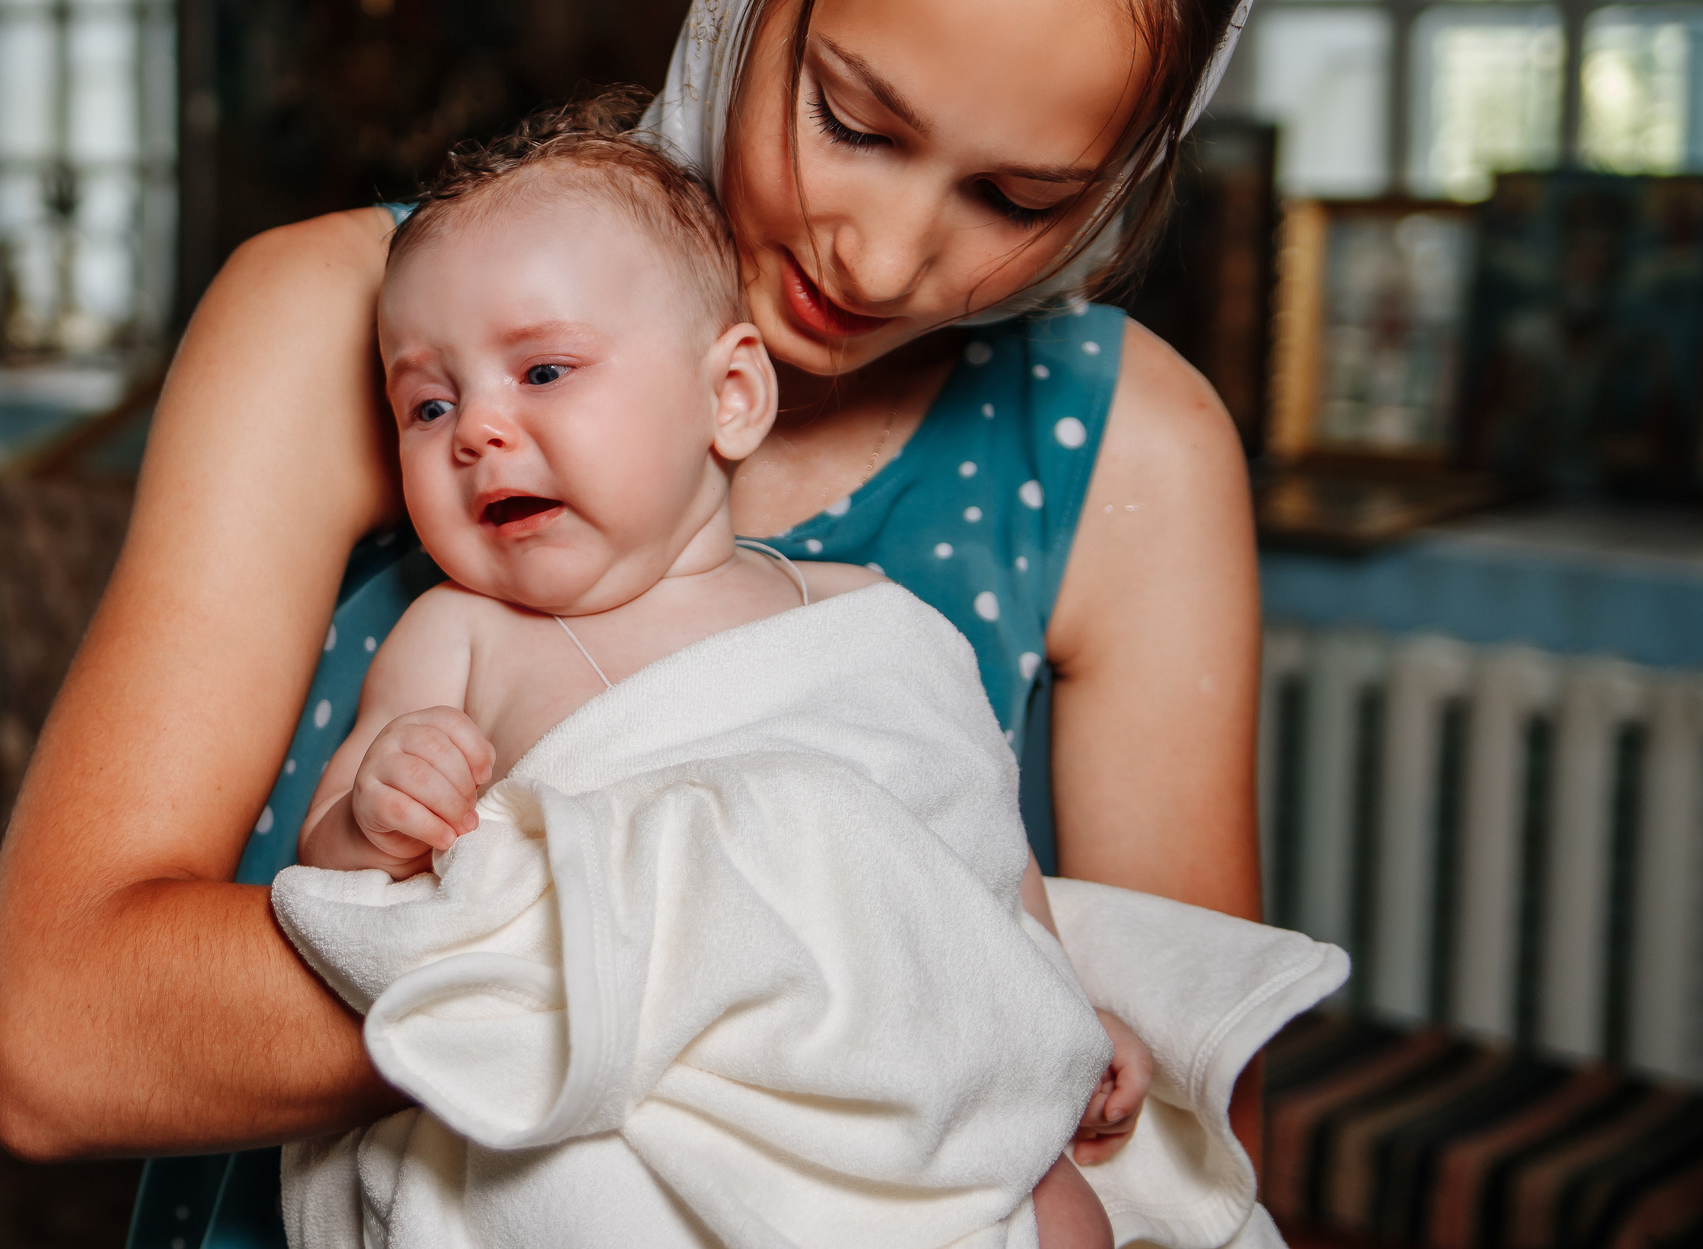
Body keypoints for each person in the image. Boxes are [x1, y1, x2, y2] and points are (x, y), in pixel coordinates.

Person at [0, 0, 1273, 1249]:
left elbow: (1181, 1138)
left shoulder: (1131, 443)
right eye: (851, 117)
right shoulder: (355, 320)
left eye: (1018, 198)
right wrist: (760, 972)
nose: (882, 251)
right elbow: (60, 1036)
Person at [282, 112, 1150, 1249]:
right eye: (427, 404)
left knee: (1054, 1202)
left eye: (544, 369)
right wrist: (381, 809)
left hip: (898, 1076)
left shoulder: (862, 618)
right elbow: (330, 869)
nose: (479, 432)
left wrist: (1053, 1009)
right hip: (647, 1123)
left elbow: (975, 852)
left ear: (730, 397)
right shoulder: (462, 636)